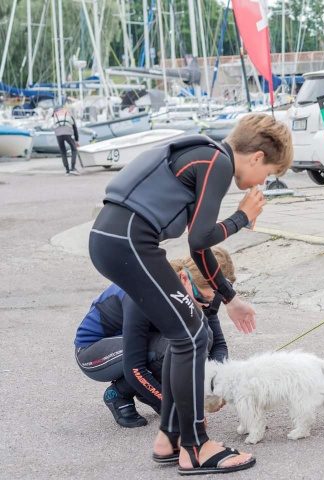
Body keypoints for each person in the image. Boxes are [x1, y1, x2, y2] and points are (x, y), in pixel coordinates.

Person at [88, 113, 293, 475]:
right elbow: (200, 238)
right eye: (270, 174)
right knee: (193, 336)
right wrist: (241, 217)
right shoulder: (217, 161)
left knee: (189, 332)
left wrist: (230, 298)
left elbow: (199, 250)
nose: (262, 183)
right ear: (257, 157)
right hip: (129, 242)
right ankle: (195, 445)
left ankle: (169, 439)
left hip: (118, 240)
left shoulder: (208, 155)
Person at [74, 248, 235, 429]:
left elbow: (218, 344)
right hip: (93, 350)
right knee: (175, 347)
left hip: (138, 341)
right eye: (202, 297)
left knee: (203, 335)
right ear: (183, 278)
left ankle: (150, 391)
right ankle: (119, 393)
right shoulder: (146, 292)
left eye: (214, 298)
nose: (207, 304)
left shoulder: (205, 291)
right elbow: (134, 368)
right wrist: (174, 410)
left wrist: (217, 383)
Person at [53, 106, 80, 176]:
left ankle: (67, 170)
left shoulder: (55, 114)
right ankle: (73, 168)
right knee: (74, 149)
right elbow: (75, 128)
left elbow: (54, 126)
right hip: (67, 133)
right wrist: (76, 140)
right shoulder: (69, 113)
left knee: (63, 152)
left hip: (58, 134)